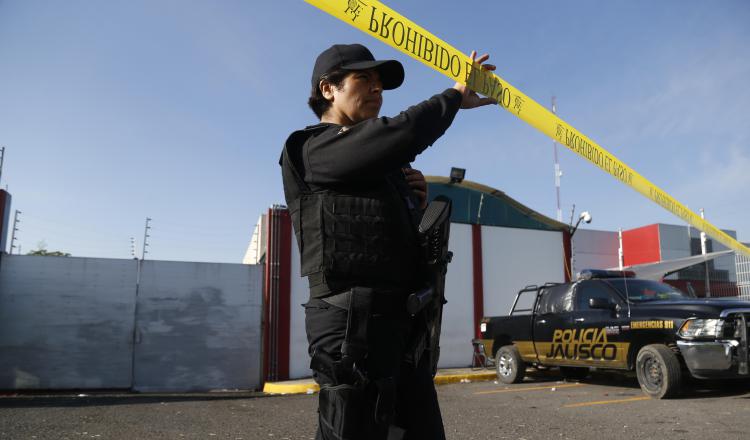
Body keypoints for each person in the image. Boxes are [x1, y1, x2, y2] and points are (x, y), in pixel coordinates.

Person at [280, 43, 495, 440]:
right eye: (365, 79)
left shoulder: (388, 168)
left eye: (381, 83)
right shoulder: (310, 148)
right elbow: (400, 134)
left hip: (401, 325)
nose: (377, 89)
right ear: (329, 89)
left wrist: (411, 203)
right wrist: (453, 97)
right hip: (350, 328)